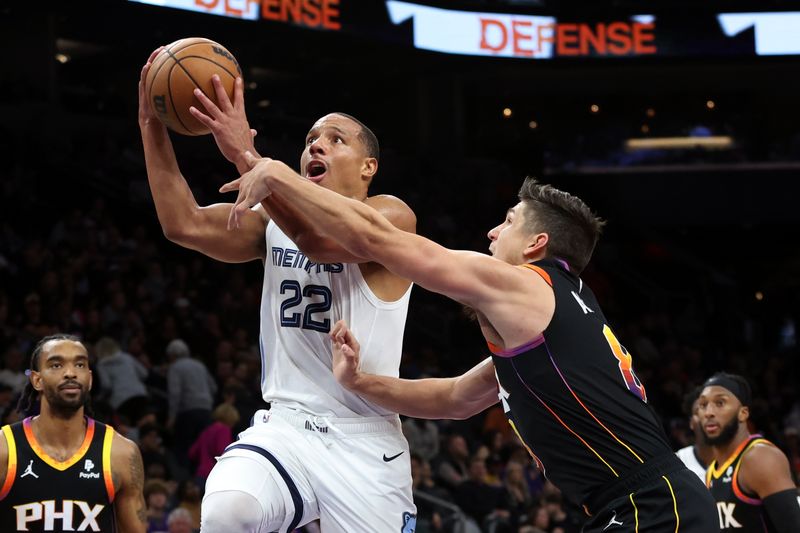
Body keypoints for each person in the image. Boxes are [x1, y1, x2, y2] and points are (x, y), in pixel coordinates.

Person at [222, 164, 720, 531]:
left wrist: (276, 175)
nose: (492, 231)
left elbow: (379, 238)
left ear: (534, 244)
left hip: (653, 507)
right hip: (640, 505)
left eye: (507, 222)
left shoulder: (527, 285)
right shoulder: (553, 314)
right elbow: (455, 399)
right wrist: (358, 382)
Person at [138, 47, 418, 532]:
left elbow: (322, 243)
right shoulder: (272, 220)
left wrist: (246, 158)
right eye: (311, 138)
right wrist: (152, 125)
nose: (316, 145)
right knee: (230, 508)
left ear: (369, 167)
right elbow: (180, 223)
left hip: (364, 440)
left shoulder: (392, 215)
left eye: (336, 139)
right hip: (286, 426)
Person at [0, 334, 147, 532]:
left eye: (80, 365)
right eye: (56, 365)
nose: (70, 373)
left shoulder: (120, 453)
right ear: (37, 380)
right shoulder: (4, 449)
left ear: (90, 378)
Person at [698, 372, 800, 532]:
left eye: (720, 403)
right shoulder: (712, 472)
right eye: (703, 405)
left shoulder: (760, 458)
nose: (708, 412)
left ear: (743, 413)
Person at [675, 385, 713, 480]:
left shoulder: (744, 459)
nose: (707, 414)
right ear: (691, 422)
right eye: (699, 410)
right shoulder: (678, 461)